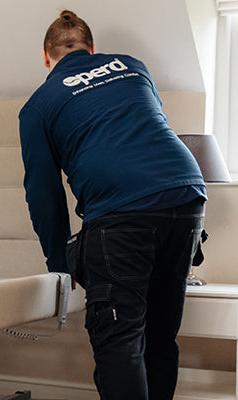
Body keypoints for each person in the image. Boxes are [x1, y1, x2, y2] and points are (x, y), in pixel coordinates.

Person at [19, 10, 207, 400]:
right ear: (93, 50)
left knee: (119, 341)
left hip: (123, 214)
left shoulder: (38, 106)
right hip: (186, 195)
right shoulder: (134, 68)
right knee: (159, 334)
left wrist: (59, 264)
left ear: (45, 57)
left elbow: (43, 192)